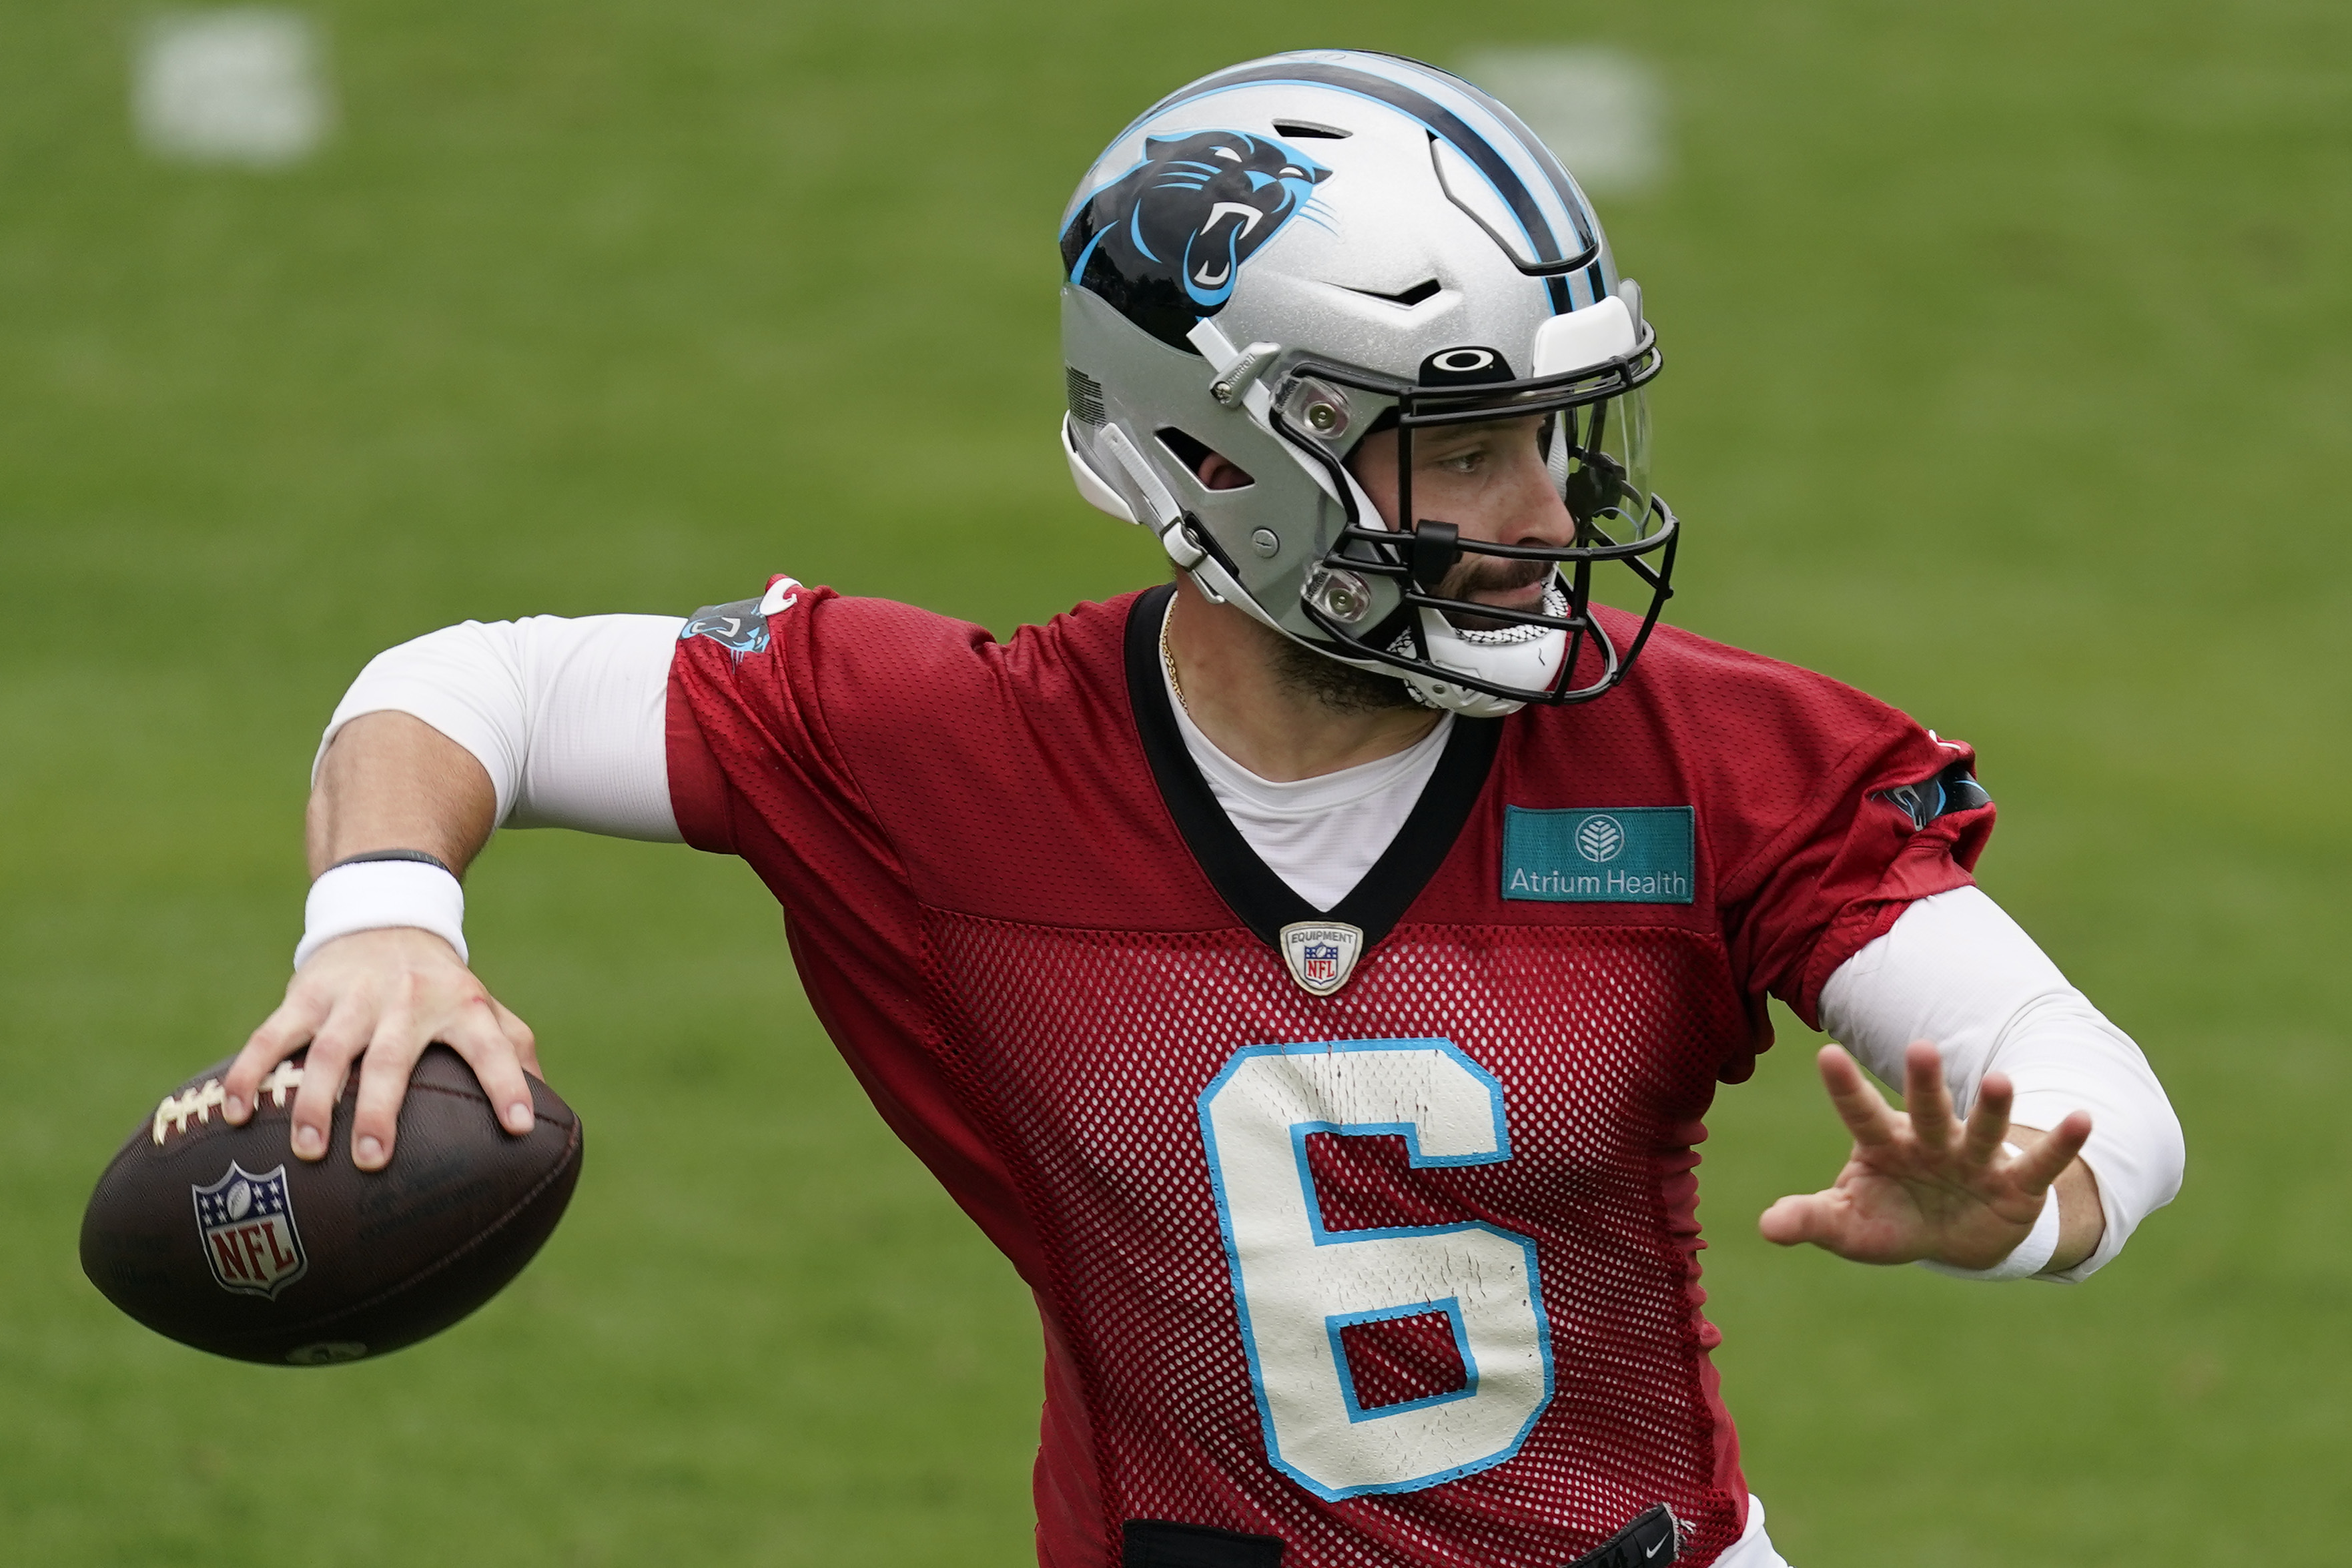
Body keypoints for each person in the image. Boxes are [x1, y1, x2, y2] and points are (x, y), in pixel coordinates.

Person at [220, 51, 2183, 1568]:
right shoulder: (954, 760)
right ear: (1223, 462)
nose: (1548, 522)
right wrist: (385, 919)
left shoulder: (1705, 761)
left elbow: (2073, 1069)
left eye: (1557, 442)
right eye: (1468, 453)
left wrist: (2033, 1202)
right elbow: (468, 682)